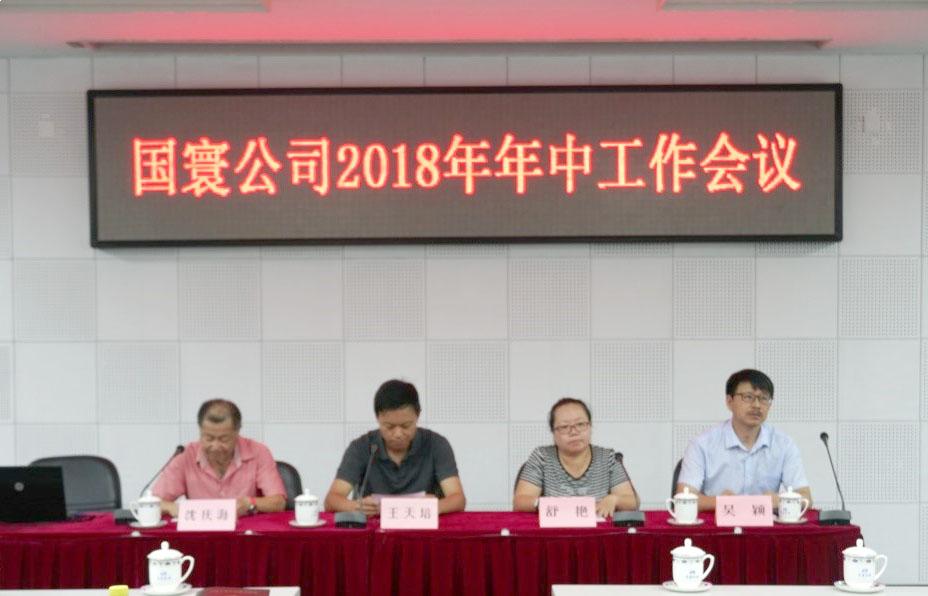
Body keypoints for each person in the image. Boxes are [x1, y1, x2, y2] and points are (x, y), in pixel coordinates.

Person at [676, 368, 812, 512]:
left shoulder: (784, 445)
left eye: (764, 398)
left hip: (766, 525)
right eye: (748, 397)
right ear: (729, 401)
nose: (757, 405)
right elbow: (683, 497)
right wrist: (720, 502)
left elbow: (806, 498)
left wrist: (779, 501)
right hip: (717, 523)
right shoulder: (702, 444)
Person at [324, 379, 465, 516]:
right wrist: (356, 506)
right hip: (375, 527)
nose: (398, 434)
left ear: (418, 415)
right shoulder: (362, 447)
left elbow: (458, 499)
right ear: (378, 418)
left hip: (422, 526)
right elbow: (331, 500)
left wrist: (435, 506)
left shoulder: (436, 445)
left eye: (406, 426)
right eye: (389, 427)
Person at [152, 399, 286, 517]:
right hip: (200, 533)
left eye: (224, 439)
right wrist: (171, 507)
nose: (215, 446)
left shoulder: (258, 452)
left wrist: (250, 503)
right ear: (200, 431)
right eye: (209, 438)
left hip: (244, 532)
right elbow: (152, 503)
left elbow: (278, 503)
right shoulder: (186, 456)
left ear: (237, 432)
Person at [513, 397, 638, 518]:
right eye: (564, 427)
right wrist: (546, 505)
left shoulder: (607, 458)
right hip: (555, 528)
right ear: (553, 433)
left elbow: (632, 501)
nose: (574, 432)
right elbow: (520, 501)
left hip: (598, 529)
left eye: (580, 424)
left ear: (590, 427)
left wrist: (615, 499)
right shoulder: (542, 457)